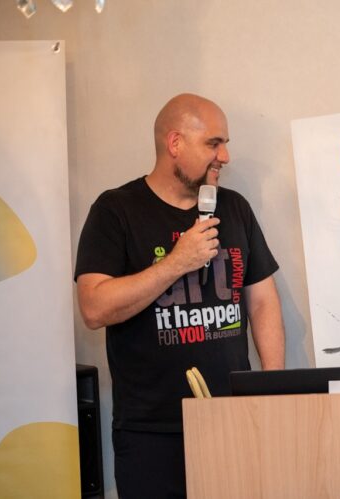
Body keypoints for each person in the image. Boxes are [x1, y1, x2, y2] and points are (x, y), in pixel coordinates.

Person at [75, 93, 285, 498]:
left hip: (232, 419)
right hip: (151, 433)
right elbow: (94, 307)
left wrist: (272, 388)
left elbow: (262, 301)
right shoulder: (115, 210)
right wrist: (176, 263)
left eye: (225, 144)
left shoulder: (234, 208)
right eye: (213, 143)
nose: (225, 156)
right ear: (175, 143)